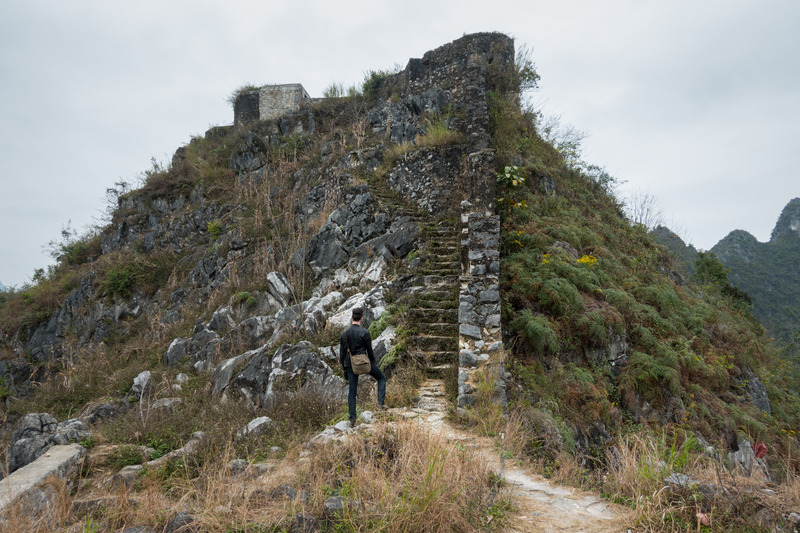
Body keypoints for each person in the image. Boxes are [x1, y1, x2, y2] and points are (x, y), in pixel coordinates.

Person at [339, 307, 386, 425]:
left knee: (352, 391)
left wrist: (344, 368)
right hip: (365, 363)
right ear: (361, 318)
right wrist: (373, 363)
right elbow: (370, 351)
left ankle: (352, 419)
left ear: (351, 317)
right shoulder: (365, 332)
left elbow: (342, 354)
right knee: (381, 378)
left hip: (350, 365)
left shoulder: (344, 333)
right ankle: (380, 405)